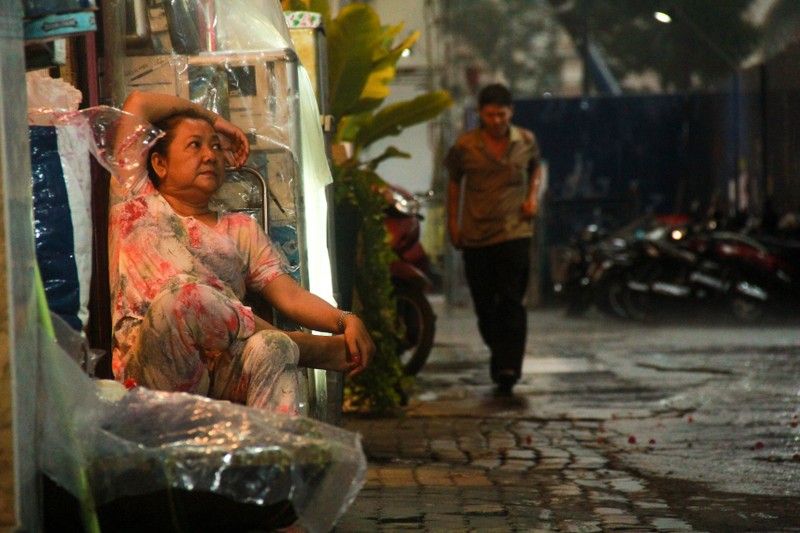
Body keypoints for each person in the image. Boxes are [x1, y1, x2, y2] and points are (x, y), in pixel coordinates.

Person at [109, 90, 375, 414]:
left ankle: (271, 456)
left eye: (216, 146)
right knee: (185, 298)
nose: (210, 155)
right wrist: (214, 120)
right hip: (152, 367)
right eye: (195, 145)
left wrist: (345, 320)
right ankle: (307, 348)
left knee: (273, 346)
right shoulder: (135, 199)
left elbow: (289, 296)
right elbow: (138, 103)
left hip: (225, 367)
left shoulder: (240, 229)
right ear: (159, 163)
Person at [445, 83, 541, 396]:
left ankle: (508, 367)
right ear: (480, 114)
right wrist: (453, 224)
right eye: (490, 115)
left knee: (511, 301)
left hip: (515, 232)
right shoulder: (465, 146)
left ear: (510, 112)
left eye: (501, 114)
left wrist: (532, 197)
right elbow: (454, 185)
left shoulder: (525, 140)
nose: (496, 120)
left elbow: (535, 168)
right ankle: (501, 354)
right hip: (476, 235)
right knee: (485, 306)